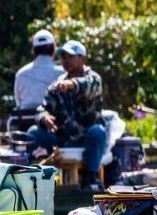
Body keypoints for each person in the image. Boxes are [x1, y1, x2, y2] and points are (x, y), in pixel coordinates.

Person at [26, 39, 108, 191]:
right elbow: (42, 108)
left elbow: (89, 85)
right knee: (33, 132)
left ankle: (91, 179)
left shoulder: (94, 78)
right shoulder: (56, 84)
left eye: (70, 56)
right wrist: (44, 118)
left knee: (98, 132)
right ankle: (35, 177)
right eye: (63, 57)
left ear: (82, 58)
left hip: (86, 137)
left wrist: (72, 84)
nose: (66, 60)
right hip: (62, 138)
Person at [13, 29, 63, 114]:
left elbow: (18, 102)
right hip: (53, 122)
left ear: (34, 50)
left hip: (24, 122)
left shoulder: (21, 73)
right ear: (53, 48)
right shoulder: (62, 73)